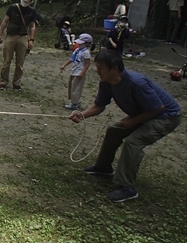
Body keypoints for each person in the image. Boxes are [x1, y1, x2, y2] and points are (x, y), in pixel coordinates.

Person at [69, 50, 181, 202]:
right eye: (97, 66)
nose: (97, 71)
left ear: (114, 69)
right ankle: (103, 167)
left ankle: (127, 187)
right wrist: (82, 115)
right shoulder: (106, 83)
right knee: (114, 130)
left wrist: (133, 121)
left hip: (165, 117)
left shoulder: (136, 83)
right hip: (145, 113)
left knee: (133, 142)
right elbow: (99, 105)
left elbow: (158, 108)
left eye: (101, 67)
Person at [0, 0, 37, 91]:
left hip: (22, 37)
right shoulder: (13, 8)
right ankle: (3, 82)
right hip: (11, 36)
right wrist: (0, 35)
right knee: (6, 61)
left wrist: (31, 40)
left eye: (27, 1)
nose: (24, 2)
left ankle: (16, 83)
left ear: (30, 1)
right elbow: (5, 21)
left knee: (20, 62)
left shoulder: (32, 11)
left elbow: (32, 26)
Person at [59, 33, 92, 110]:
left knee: (76, 88)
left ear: (87, 43)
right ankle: (74, 101)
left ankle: (75, 103)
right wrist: (64, 65)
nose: (79, 44)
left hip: (79, 72)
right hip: (74, 71)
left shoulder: (86, 52)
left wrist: (82, 73)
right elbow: (72, 59)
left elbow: (87, 64)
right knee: (72, 86)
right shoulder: (77, 50)